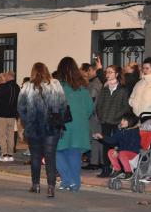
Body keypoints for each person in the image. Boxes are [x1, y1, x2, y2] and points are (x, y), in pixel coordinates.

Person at [17, 62, 67, 198]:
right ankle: (51, 187)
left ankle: (36, 185)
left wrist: (27, 122)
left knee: (36, 157)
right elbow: (63, 105)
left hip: (34, 128)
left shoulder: (27, 86)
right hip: (52, 127)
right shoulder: (55, 84)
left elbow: (21, 108)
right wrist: (59, 121)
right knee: (50, 157)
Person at [55, 57, 93, 192]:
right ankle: (74, 183)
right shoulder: (82, 88)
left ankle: (67, 180)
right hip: (79, 126)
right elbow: (90, 108)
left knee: (57, 152)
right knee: (74, 153)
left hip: (62, 125)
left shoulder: (57, 87)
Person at [94, 65, 132, 177]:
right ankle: (106, 168)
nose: (107, 74)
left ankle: (119, 168)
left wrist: (117, 118)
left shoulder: (123, 90)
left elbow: (125, 107)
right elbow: (99, 105)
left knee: (118, 145)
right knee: (106, 144)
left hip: (117, 122)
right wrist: (101, 116)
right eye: (107, 72)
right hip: (105, 121)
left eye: (110, 72)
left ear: (116, 74)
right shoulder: (104, 89)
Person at [93, 112, 141, 180]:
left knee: (122, 153)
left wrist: (118, 150)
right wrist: (102, 137)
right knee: (110, 152)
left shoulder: (134, 132)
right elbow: (112, 140)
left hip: (133, 153)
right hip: (122, 152)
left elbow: (131, 146)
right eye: (121, 120)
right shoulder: (121, 130)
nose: (121, 122)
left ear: (130, 121)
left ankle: (129, 172)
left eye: (124, 120)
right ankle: (118, 170)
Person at [0, 71, 20, 162]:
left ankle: (4, 154)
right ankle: (10, 155)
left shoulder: (6, 86)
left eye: (5, 75)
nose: (4, 77)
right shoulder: (17, 87)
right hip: (12, 115)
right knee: (10, 135)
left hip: (2, 114)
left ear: (9, 76)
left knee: (1, 135)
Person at [81, 62, 104, 170]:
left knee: (95, 138)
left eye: (90, 71)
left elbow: (91, 101)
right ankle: (99, 161)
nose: (88, 73)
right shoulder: (95, 82)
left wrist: (86, 113)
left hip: (94, 115)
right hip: (96, 114)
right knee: (97, 138)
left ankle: (95, 162)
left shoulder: (95, 83)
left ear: (95, 71)